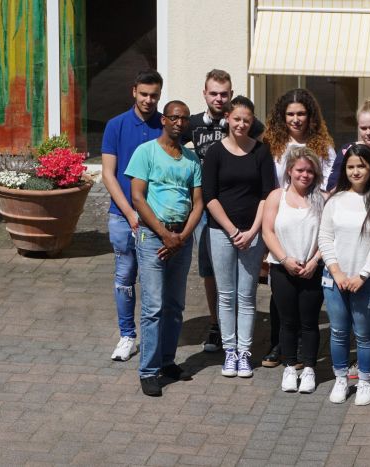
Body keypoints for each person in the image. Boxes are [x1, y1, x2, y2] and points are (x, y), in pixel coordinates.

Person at [181, 69, 265, 353]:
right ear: (204, 93)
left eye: (224, 94)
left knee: (242, 274)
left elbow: (260, 142)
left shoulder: (245, 124)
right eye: (214, 93)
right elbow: (172, 146)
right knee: (210, 268)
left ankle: (239, 330)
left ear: (231, 96)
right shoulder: (191, 124)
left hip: (238, 205)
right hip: (206, 206)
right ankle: (218, 324)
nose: (219, 98)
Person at [125, 100, 203, 397]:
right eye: (174, 117)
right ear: (163, 120)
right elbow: (138, 198)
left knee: (175, 306)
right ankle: (148, 370)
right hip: (153, 238)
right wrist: (163, 234)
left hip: (181, 238)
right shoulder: (146, 153)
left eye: (184, 119)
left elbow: (198, 203)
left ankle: (168, 361)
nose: (179, 123)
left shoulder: (191, 159)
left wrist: (181, 236)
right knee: (154, 307)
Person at [260, 88, 337, 368]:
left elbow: (327, 185)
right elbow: (268, 183)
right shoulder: (272, 146)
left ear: (310, 116)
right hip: (280, 216)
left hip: (311, 216)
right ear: (283, 117)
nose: (296, 119)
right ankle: (277, 345)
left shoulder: (323, 147)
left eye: (301, 113)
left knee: (306, 291)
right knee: (279, 287)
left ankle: (304, 351)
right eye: (290, 114)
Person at [202, 96, 276, 378]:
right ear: (228, 119)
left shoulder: (261, 152)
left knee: (247, 295)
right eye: (237, 119)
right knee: (226, 294)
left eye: (246, 120)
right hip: (221, 233)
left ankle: (244, 352)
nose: (241, 124)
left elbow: (265, 195)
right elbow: (209, 197)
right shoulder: (215, 153)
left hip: (252, 233)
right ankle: (229, 351)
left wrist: (253, 231)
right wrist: (232, 231)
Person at [318, 144, 370, 406]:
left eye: (361, 166)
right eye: (350, 166)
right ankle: (341, 379)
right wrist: (337, 272)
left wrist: (361, 275)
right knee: (338, 332)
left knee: (364, 334)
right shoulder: (335, 201)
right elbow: (325, 238)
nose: (355, 171)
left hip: (368, 281)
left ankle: (364, 381)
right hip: (335, 280)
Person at [102, 69, 163, 362]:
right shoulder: (115, 126)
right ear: (134, 92)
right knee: (125, 277)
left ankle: (155, 337)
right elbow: (108, 174)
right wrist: (129, 213)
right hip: (121, 217)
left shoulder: (166, 125)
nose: (149, 100)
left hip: (155, 220)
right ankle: (127, 335)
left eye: (154, 95)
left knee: (154, 281)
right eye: (144, 94)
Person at [262, 147, 326, 394]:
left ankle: (309, 368)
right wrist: (284, 258)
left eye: (310, 171)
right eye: (300, 170)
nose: (305, 175)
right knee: (287, 322)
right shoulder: (277, 196)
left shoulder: (323, 198)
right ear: (289, 170)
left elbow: (327, 236)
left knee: (309, 323)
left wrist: (314, 261)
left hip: (312, 269)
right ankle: (290, 366)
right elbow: (268, 231)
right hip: (282, 268)